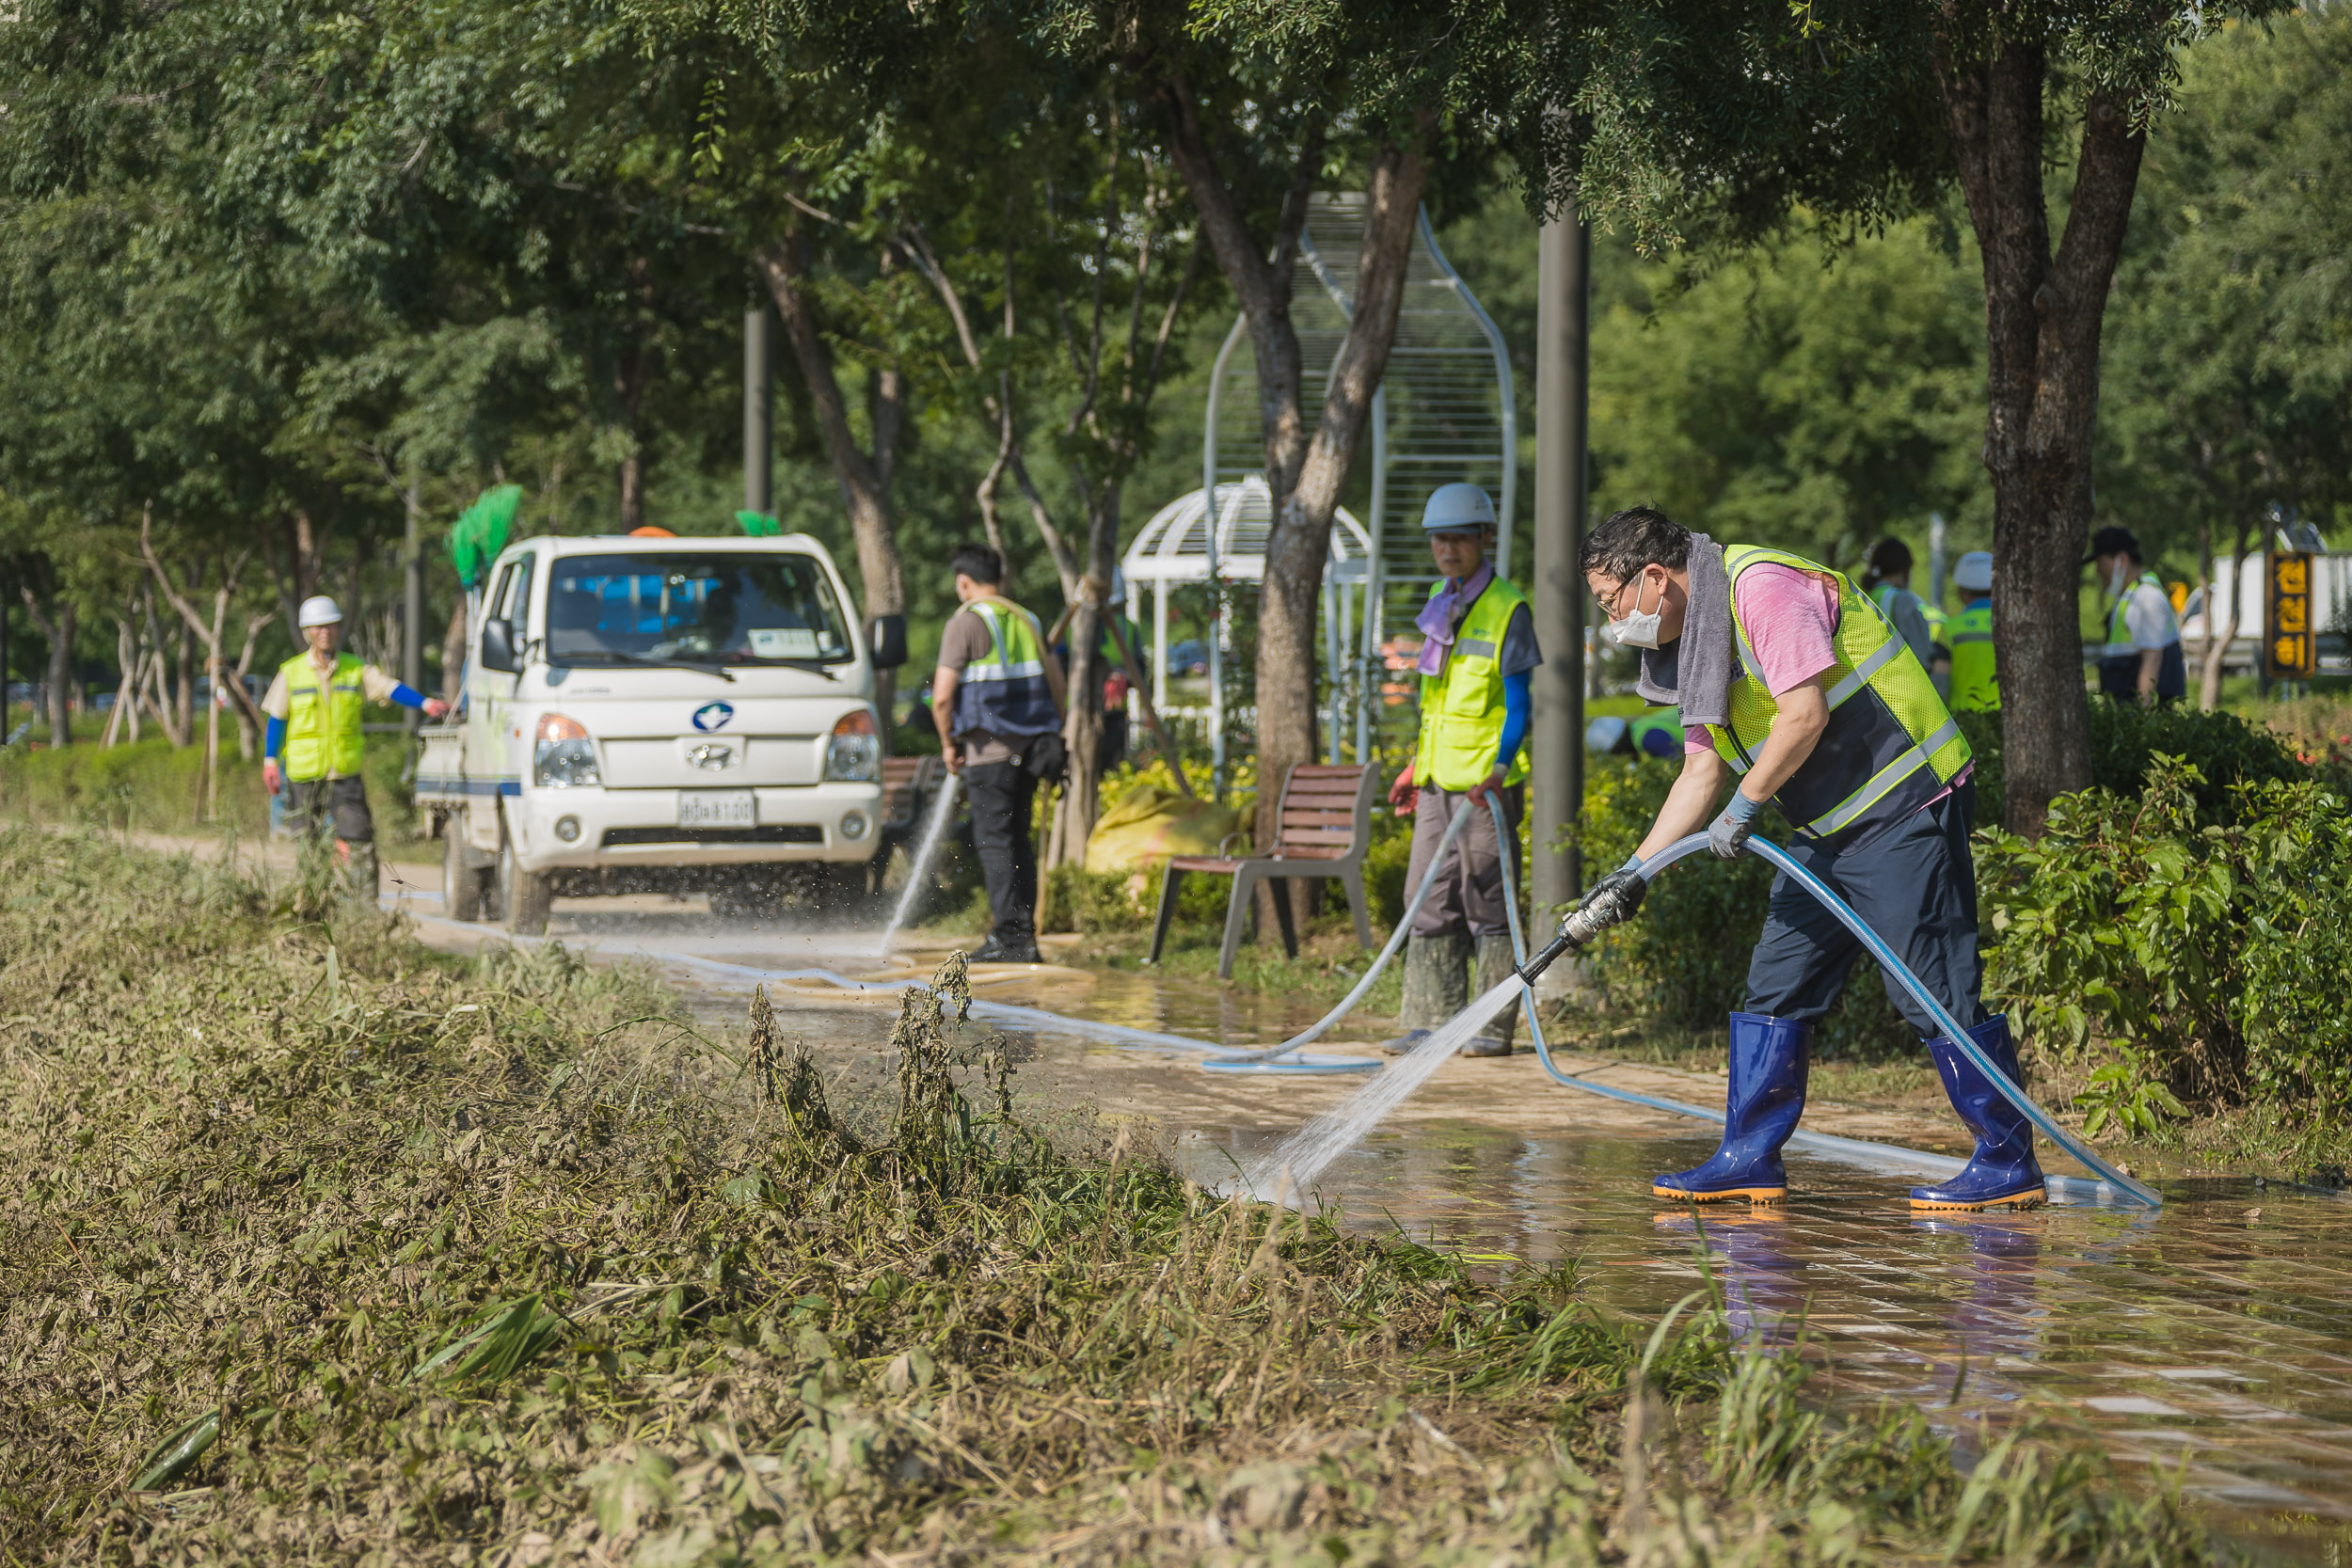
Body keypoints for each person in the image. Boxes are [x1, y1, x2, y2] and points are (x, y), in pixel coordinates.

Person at [1571, 506, 2042, 1212]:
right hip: (1825, 829)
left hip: (1902, 805)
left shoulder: (1759, 587)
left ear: (1656, 579)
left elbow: (1804, 713)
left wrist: (1746, 805)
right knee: (1777, 984)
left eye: (1613, 603)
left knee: (1931, 989)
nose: (1614, 622)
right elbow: (1700, 771)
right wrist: (1633, 873)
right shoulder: (1691, 639)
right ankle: (1748, 1155)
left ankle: (2009, 1160)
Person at [1380, 483, 1543, 1059]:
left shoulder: (1509, 609)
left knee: (1486, 900)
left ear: (1484, 539)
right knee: (1426, 895)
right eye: (1438, 539)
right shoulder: (1438, 600)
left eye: (1458, 538)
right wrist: (1414, 768)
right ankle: (1429, 1022)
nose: (1447, 549)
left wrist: (1500, 768)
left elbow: (1519, 703)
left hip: (1484, 789)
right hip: (1436, 781)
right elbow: (1436, 703)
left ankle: (1490, 1028)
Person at [930, 544, 1067, 965]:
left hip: (989, 753)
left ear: (963, 582)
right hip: (1033, 749)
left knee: (995, 843)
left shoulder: (965, 623)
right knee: (1018, 841)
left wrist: (949, 745)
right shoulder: (1027, 618)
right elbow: (1057, 683)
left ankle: (1009, 937)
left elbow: (941, 698)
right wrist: (1054, 732)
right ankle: (1023, 936)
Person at [262, 595, 451, 897]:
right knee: (307, 846)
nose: (326, 632)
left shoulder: (355, 669)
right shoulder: (291, 672)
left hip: (344, 774)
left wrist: (425, 703)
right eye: (319, 627)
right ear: (307, 632)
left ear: (339, 629)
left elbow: (390, 687)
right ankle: (311, 905)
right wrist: (270, 761)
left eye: (332, 626)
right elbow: (278, 719)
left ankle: (363, 914)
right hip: (304, 775)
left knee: (360, 842)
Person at [2089, 526, 2185, 705]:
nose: (2098, 571)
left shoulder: (2146, 598)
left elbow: (2152, 661)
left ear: (2122, 559)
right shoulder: (2130, 596)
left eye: (2101, 563)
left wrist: (2142, 721)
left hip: (2140, 717)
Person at [1858, 538, 1935, 670]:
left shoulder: (1863, 597)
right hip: (1900, 682)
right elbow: (1922, 656)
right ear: (1904, 569)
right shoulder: (1903, 599)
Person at [1947, 550, 1999, 713]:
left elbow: (1939, 679)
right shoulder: (2016, 627)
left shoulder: (1948, 628)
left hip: (1962, 721)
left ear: (1962, 592)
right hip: (2005, 719)